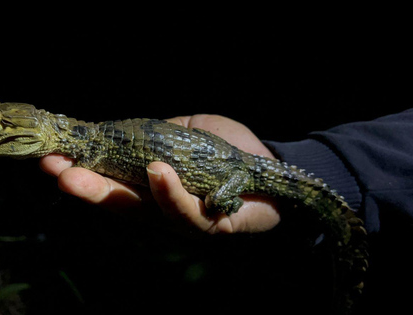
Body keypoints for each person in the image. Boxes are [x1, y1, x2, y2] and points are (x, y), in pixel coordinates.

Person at [39, 111, 413, 234]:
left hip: (238, 169)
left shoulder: (87, 146)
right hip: (239, 158)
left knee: (218, 199)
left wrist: (229, 197)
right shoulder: (87, 143)